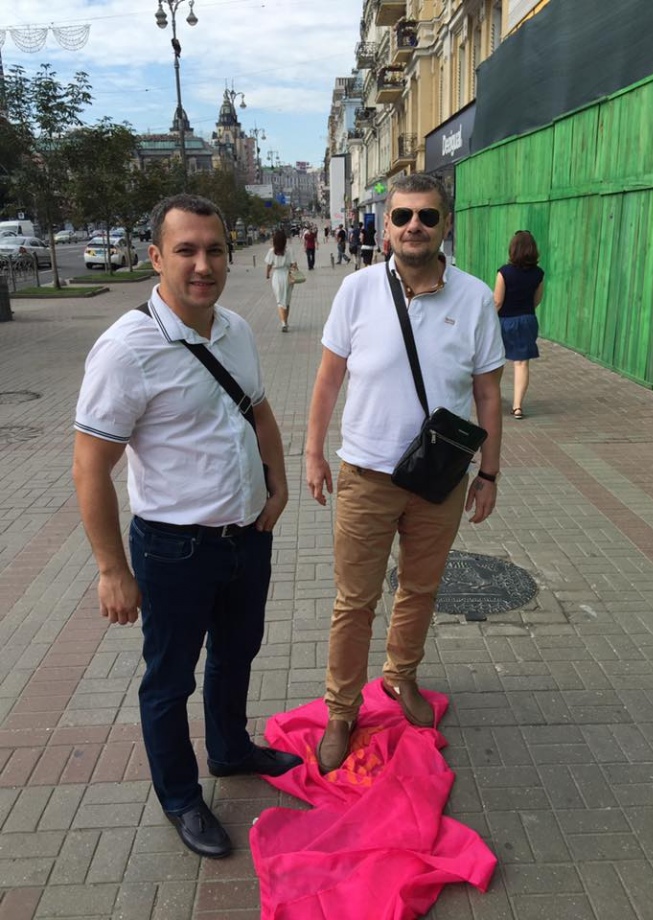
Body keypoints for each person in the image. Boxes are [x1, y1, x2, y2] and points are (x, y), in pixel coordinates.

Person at [72, 194, 301, 860]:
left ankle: (230, 750)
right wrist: (112, 570)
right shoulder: (126, 349)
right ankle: (179, 797)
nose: (204, 264)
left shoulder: (235, 328)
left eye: (215, 250)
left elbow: (258, 410)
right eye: (186, 250)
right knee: (169, 681)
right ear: (156, 257)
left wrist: (278, 482)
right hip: (173, 550)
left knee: (237, 653)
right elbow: (90, 467)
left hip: (246, 538)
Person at [305, 173, 505, 774]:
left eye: (427, 215)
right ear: (386, 226)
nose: (414, 225)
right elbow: (328, 379)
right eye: (402, 216)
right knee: (355, 601)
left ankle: (400, 677)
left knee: (419, 589)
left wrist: (489, 474)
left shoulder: (474, 298)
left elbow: (488, 394)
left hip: (439, 478)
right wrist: (313, 453)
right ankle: (342, 709)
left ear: (446, 224)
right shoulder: (357, 290)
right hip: (366, 475)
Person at [493, 230, 544, 419]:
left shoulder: (504, 272)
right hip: (526, 320)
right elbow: (536, 300)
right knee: (521, 364)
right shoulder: (539, 274)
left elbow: (497, 302)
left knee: (496, 361)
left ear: (513, 249)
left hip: (503, 321)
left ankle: (493, 399)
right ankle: (517, 406)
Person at [265, 228, 297, 332]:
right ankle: (286, 321)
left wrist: (267, 274)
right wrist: (296, 272)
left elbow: (269, 265)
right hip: (287, 275)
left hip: (277, 276)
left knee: (279, 300)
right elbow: (294, 264)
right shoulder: (289, 250)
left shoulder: (271, 251)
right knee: (287, 300)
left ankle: (283, 323)